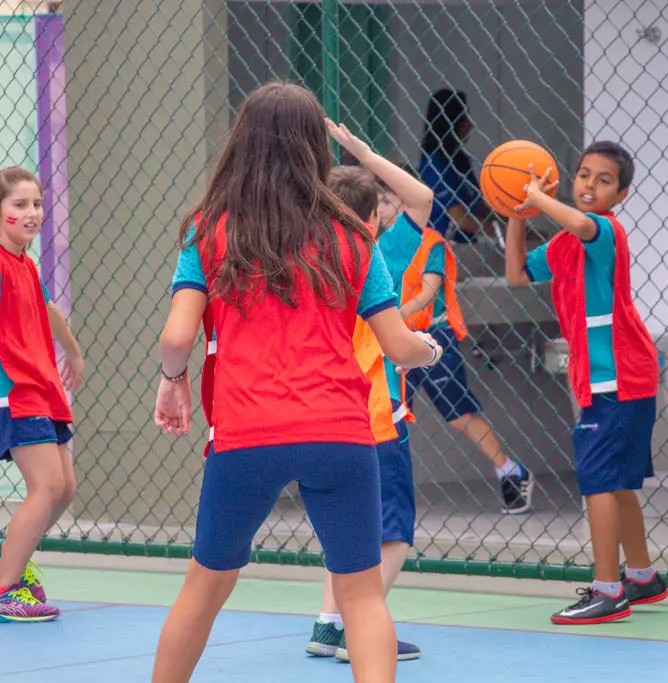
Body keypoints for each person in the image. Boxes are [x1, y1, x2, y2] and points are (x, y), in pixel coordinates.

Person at [151, 82, 445, 683]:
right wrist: (430, 349)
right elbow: (398, 347)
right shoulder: (352, 235)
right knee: (361, 592)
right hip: (339, 431)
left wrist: (172, 379)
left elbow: (177, 337)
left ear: (242, 143)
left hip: (247, 432)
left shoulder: (209, 230)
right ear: (315, 148)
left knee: (204, 586)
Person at [504, 141, 668, 624]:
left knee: (598, 480)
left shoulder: (605, 231)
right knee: (618, 483)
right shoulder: (561, 245)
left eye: (604, 180)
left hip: (617, 377)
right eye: (583, 175)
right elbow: (516, 274)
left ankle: (607, 590)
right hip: (616, 377)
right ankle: (642, 577)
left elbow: (580, 223)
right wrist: (516, 213)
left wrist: (538, 199)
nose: (590, 185)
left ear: (621, 195)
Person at [305, 120, 434, 663]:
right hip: (375, 415)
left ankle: (328, 624)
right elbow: (422, 198)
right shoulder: (378, 254)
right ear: (375, 217)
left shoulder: (304, 257)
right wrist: (361, 151)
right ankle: (361, 627)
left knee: (346, 530)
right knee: (393, 533)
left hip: (320, 412)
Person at [0, 167, 85, 624]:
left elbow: (48, 309)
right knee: (45, 486)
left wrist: (73, 351)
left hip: (37, 383)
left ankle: (7, 550)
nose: (32, 213)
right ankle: (0, 592)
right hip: (8, 386)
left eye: (36, 204)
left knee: (64, 489)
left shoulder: (26, 264)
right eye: (19, 205)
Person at [394, 138, 537, 513]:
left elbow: (429, 291)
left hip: (432, 339)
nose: (386, 206)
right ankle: (381, 487)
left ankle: (510, 471)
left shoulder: (432, 242)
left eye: (394, 198)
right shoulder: (380, 243)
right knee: (387, 413)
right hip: (394, 338)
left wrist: (393, 316)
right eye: (383, 199)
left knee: (459, 416)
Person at [418, 88, 498, 243]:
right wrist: (504, 235)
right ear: (449, 121)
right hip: (443, 245)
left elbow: (478, 207)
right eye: (464, 117)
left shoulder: (459, 160)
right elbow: (460, 217)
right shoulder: (433, 164)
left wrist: (513, 223)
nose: (470, 124)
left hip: (467, 245)